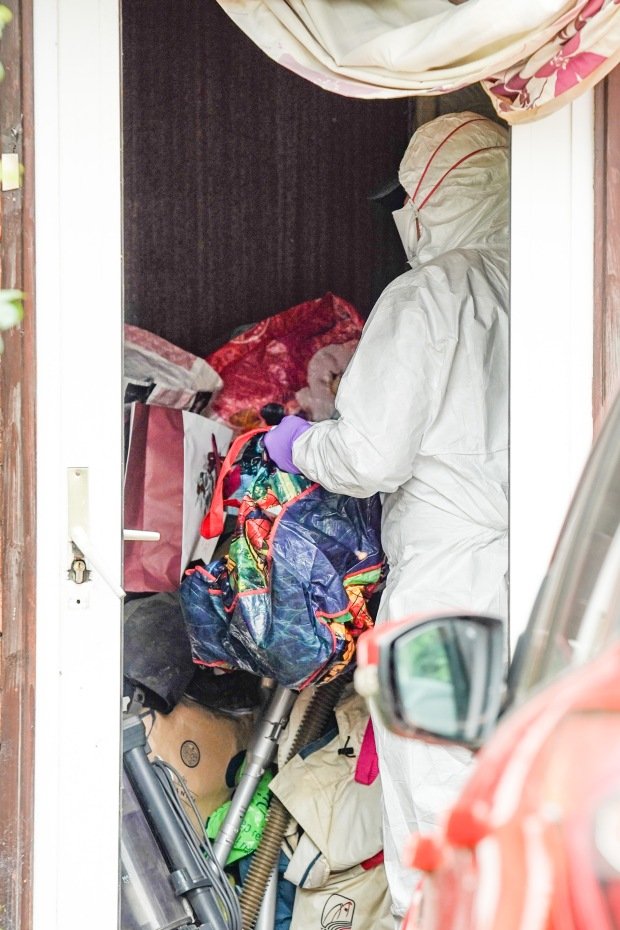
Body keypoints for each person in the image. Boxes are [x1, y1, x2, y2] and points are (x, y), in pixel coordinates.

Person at [264, 111, 509, 923]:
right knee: (525, 812)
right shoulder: (573, 280)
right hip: (557, 588)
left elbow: (369, 458)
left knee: (440, 820)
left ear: (433, 194)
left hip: (447, 602)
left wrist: (299, 446)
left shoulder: (433, 294)